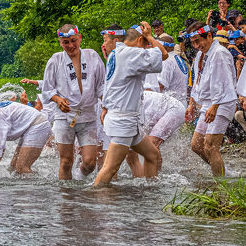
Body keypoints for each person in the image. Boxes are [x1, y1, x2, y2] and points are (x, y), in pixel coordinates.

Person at [94, 23, 168, 185]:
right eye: (146, 43)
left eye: (105, 40)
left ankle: (150, 191)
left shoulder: (116, 53)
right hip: (123, 120)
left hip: (126, 119)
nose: (104, 44)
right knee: (110, 168)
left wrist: (105, 106)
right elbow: (163, 54)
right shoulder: (129, 53)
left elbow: (110, 83)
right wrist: (150, 37)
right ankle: (93, 202)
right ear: (140, 39)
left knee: (152, 155)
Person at [42, 24, 105, 180]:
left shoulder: (92, 56)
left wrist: (107, 107)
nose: (70, 46)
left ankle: (79, 178)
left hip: (88, 115)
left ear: (80, 38)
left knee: (90, 162)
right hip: (64, 116)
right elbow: (47, 90)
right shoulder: (55, 60)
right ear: (60, 43)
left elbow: (102, 87)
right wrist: (57, 99)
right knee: (66, 162)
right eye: (66, 42)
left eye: (73, 41)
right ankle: (67, 198)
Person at [185, 22, 238, 176]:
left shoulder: (219, 53)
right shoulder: (201, 55)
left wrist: (214, 106)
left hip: (222, 102)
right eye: (193, 42)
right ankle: (222, 171)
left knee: (210, 146)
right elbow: (198, 82)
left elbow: (223, 83)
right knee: (196, 145)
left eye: (198, 41)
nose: (195, 46)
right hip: (209, 103)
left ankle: (221, 186)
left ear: (209, 36)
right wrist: (191, 104)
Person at [0, 101, 51, 177]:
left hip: (37, 125)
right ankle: (34, 182)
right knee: (13, 168)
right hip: (30, 127)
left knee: (22, 169)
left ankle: (42, 187)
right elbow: (0, 147)